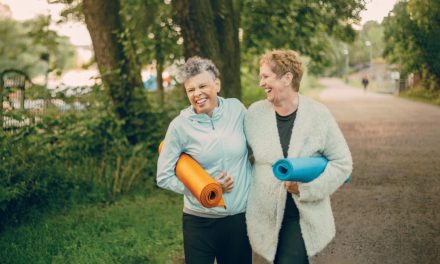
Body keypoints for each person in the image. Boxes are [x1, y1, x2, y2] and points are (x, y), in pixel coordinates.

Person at [245, 50, 353, 263]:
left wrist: (306, 189)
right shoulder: (254, 114)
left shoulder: (318, 115)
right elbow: (240, 155)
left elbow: (343, 163)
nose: (261, 83)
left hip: (302, 214)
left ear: (287, 78)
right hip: (265, 215)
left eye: (266, 76)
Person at [156, 56, 252, 264]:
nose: (197, 94)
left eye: (202, 86)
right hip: (199, 222)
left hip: (238, 219)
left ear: (217, 84)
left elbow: (258, 148)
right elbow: (163, 177)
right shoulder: (179, 126)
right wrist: (204, 187)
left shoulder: (237, 110)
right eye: (190, 90)